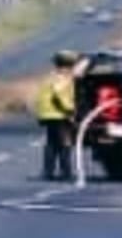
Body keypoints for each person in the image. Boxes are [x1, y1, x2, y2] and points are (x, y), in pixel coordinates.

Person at [35, 50, 77, 181]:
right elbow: (59, 93)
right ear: (70, 64)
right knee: (65, 143)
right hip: (59, 114)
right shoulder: (62, 77)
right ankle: (66, 173)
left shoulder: (50, 76)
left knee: (52, 143)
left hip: (47, 114)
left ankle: (48, 172)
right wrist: (70, 110)